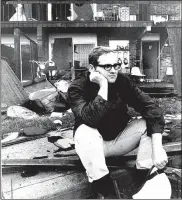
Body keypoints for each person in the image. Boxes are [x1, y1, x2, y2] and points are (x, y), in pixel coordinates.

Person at [67, 46, 168, 198]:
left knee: (145, 123)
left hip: (118, 141)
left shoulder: (122, 81)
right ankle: (104, 189)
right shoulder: (77, 87)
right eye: (107, 66)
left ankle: (143, 176)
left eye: (116, 65)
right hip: (93, 148)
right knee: (84, 130)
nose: (113, 70)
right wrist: (104, 86)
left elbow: (151, 108)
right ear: (92, 68)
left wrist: (157, 148)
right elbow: (90, 119)